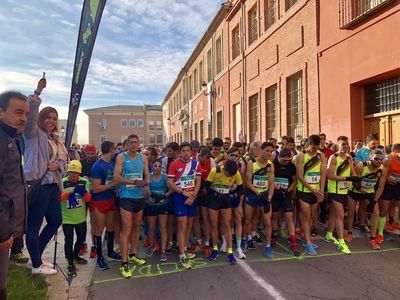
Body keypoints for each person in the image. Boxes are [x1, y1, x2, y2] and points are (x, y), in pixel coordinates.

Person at [24, 78, 69, 275]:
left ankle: (37, 256)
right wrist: (37, 93)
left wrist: (56, 165)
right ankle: (35, 265)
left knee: (55, 221)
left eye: (54, 118)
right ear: (42, 118)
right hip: (38, 184)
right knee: (33, 225)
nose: (51, 121)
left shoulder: (55, 140)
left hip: (52, 186)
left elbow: (64, 163)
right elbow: (30, 117)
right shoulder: (33, 133)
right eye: (48, 117)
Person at [0, 91, 29, 299]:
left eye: (26, 114)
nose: (24, 118)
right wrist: (2, 232)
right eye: (18, 112)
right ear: (1, 112)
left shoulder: (12, 139)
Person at [114, 134, 150, 278]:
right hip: (126, 196)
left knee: (136, 227)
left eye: (136, 142)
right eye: (131, 142)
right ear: (127, 144)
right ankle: (124, 263)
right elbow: (116, 177)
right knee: (126, 229)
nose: (134, 145)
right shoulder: (121, 157)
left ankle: (133, 254)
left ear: (139, 143)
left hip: (139, 196)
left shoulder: (144, 157)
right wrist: (134, 182)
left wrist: (146, 185)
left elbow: (146, 174)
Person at [167, 142, 202, 269]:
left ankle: (184, 246)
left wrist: (192, 196)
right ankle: (182, 254)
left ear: (192, 152)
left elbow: (198, 181)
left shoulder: (196, 164)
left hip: (192, 197)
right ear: (180, 152)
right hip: (179, 197)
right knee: (182, 224)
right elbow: (170, 183)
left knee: (189, 224)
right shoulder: (174, 164)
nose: (186, 153)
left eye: (188, 151)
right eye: (184, 151)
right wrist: (184, 193)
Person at [206, 160, 244, 264]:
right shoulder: (215, 171)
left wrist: (233, 195)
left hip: (226, 200)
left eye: (231, 175)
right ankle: (214, 249)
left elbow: (241, 189)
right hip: (214, 200)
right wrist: (216, 193)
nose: (230, 176)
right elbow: (207, 186)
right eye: (228, 174)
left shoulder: (236, 173)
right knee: (214, 224)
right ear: (224, 168)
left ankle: (230, 251)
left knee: (227, 224)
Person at [326, 136, 359, 254]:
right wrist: (346, 178)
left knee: (334, 214)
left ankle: (329, 234)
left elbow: (353, 172)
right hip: (334, 190)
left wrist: (355, 179)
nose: (345, 146)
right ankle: (341, 242)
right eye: (343, 144)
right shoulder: (333, 157)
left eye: (347, 144)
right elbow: (329, 175)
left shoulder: (349, 157)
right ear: (338, 145)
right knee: (340, 215)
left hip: (345, 190)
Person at [90, 141, 121, 271]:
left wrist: (117, 187)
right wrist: (112, 185)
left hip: (110, 199)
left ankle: (110, 252)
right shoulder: (98, 166)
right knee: (99, 229)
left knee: (110, 227)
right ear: (111, 150)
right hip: (99, 201)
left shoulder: (112, 164)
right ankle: (99, 258)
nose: (115, 151)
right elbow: (95, 189)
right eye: (114, 149)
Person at [294, 135, 326, 256]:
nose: (314, 150)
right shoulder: (301, 156)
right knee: (306, 216)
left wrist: (321, 190)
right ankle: (307, 242)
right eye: (313, 147)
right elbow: (299, 176)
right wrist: (312, 189)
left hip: (316, 191)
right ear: (308, 144)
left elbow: (323, 174)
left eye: (317, 148)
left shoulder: (321, 155)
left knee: (312, 216)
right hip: (304, 191)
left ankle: (304, 237)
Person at [347, 149, 384, 249]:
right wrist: (365, 193)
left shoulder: (381, 168)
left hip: (369, 191)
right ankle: (349, 233)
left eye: (381, 159)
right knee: (351, 212)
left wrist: (375, 200)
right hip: (355, 191)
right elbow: (356, 183)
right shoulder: (361, 166)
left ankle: (372, 239)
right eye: (376, 158)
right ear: (370, 158)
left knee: (376, 212)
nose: (379, 161)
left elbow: (381, 187)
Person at [60, 160, 91, 277]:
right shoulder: (62, 182)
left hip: (80, 218)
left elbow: (88, 199)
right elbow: (57, 198)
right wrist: (67, 193)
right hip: (67, 218)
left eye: (76, 173)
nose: (73, 175)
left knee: (81, 239)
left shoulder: (84, 182)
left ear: (79, 173)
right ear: (68, 172)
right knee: (69, 240)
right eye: (71, 172)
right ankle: (70, 262)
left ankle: (75, 255)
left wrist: (83, 193)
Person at [245, 142, 275, 258]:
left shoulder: (270, 165)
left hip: (265, 194)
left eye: (271, 151)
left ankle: (268, 246)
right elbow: (247, 182)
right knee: (248, 219)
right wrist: (257, 192)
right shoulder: (251, 163)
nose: (269, 153)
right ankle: (248, 238)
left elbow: (272, 183)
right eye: (267, 150)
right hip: (253, 193)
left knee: (267, 221)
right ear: (261, 150)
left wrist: (269, 198)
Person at [271, 149, 300, 256]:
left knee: (289, 217)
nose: (286, 162)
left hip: (286, 194)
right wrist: (276, 187)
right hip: (275, 194)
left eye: (288, 160)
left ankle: (293, 242)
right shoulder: (273, 164)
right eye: (284, 160)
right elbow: (271, 179)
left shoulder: (291, 166)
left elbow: (294, 181)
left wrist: (287, 191)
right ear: (279, 158)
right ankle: (274, 237)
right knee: (275, 217)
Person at [144, 159, 171, 262]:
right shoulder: (149, 177)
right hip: (151, 204)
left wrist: (164, 196)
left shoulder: (165, 176)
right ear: (152, 167)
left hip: (163, 204)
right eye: (155, 166)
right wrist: (150, 194)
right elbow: (145, 190)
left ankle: (163, 250)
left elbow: (171, 189)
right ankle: (151, 246)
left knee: (163, 227)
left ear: (161, 168)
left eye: (159, 166)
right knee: (151, 228)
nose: (157, 168)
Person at [374, 143, 400, 244]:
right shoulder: (388, 159)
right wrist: (389, 179)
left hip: (398, 185)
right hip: (388, 186)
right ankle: (380, 233)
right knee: (384, 209)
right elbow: (383, 175)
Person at [194, 147, 215, 258]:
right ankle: (198, 241)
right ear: (199, 156)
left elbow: (214, 177)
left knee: (206, 218)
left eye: (207, 160)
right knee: (196, 218)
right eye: (203, 160)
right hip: (196, 191)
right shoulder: (194, 161)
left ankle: (207, 242)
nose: (205, 162)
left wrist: (207, 188)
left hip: (206, 191)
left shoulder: (211, 161)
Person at [79, 144, 98, 257]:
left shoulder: (98, 163)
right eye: (88, 153)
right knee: (82, 221)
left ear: (95, 153)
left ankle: (94, 245)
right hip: (83, 196)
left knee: (94, 222)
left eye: (92, 153)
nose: (90, 156)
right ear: (85, 153)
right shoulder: (81, 163)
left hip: (95, 196)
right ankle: (82, 243)